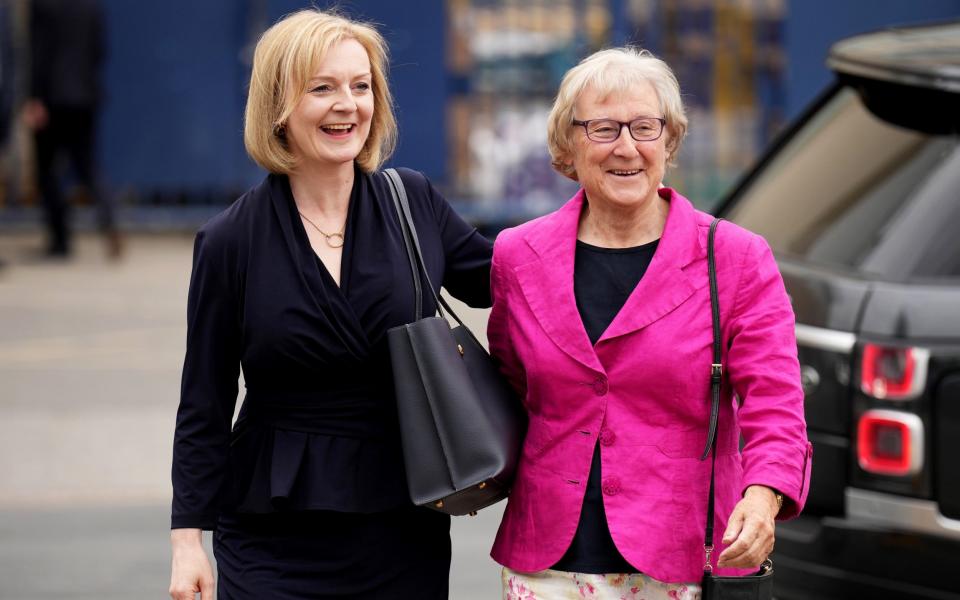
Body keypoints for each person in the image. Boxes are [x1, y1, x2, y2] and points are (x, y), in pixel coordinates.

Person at [168, 9, 492, 600]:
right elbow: (204, 403)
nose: (348, 104)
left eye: (360, 86)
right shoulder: (229, 241)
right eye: (322, 88)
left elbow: (513, 279)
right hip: (271, 529)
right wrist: (188, 539)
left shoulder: (411, 201)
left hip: (401, 521)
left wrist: (608, 215)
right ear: (277, 106)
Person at [487, 47, 812, 599]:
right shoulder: (518, 255)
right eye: (603, 128)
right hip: (547, 562)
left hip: (684, 560)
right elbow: (511, 388)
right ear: (568, 142)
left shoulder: (734, 257)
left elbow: (775, 402)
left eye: (644, 127)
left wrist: (763, 496)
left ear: (670, 140)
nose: (626, 147)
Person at [26, 0, 121, 259]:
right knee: (88, 166)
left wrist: (35, 97)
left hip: (52, 98)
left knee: (47, 170)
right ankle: (109, 220)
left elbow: (39, 51)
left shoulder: (44, 6)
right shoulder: (91, 6)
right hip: (84, 96)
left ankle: (60, 239)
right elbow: (99, 50)